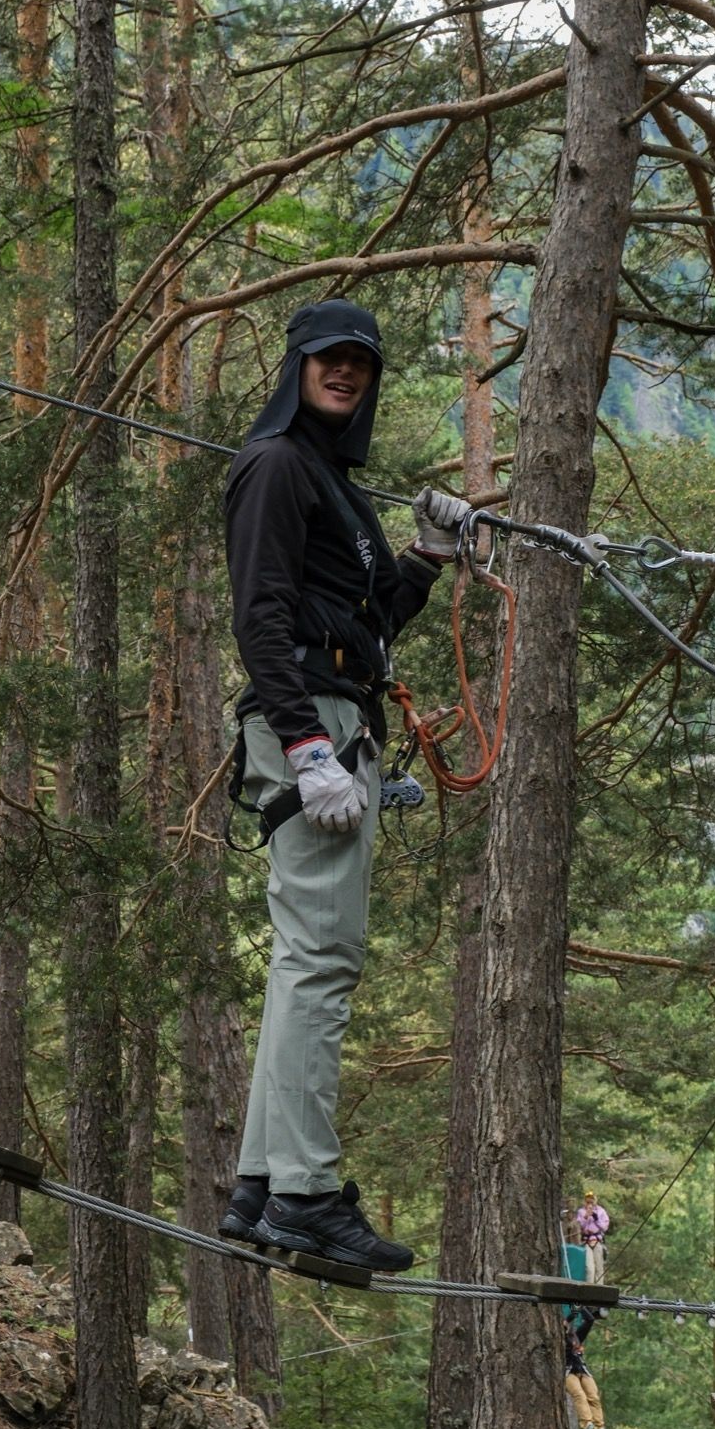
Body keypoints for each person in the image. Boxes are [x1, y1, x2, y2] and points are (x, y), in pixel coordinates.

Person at [217, 299, 469, 1272]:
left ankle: (261, 1185)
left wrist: (426, 556)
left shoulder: (331, 482)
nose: (346, 372)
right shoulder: (276, 465)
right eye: (329, 357)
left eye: (361, 362)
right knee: (320, 960)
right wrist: (306, 747)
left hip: (334, 715)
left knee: (306, 961)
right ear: (297, 365)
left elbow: (364, 625)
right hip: (310, 725)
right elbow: (260, 614)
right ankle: (305, 1193)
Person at [565, 1306, 610, 1429]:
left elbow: (589, 1320)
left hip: (581, 1369)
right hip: (568, 1372)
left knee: (593, 1396)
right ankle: (587, 1423)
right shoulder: (558, 1337)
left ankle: (599, 1426)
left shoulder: (577, 1336)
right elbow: (564, 1325)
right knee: (579, 1395)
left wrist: (580, 1307)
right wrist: (569, 1318)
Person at [575, 1188, 610, 1282]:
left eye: (592, 1199)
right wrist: (586, 1217)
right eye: (588, 1200)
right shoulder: (581, 1211)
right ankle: (589, 1286)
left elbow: (604, 1227)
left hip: (597, 1240)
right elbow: (578, 1225)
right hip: (586, 1241)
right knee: (589, 1268)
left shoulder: (601, 1211)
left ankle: (599, 1287)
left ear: (595, 1200)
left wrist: (596, 1218)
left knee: (599, 1267)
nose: (590, 1202)